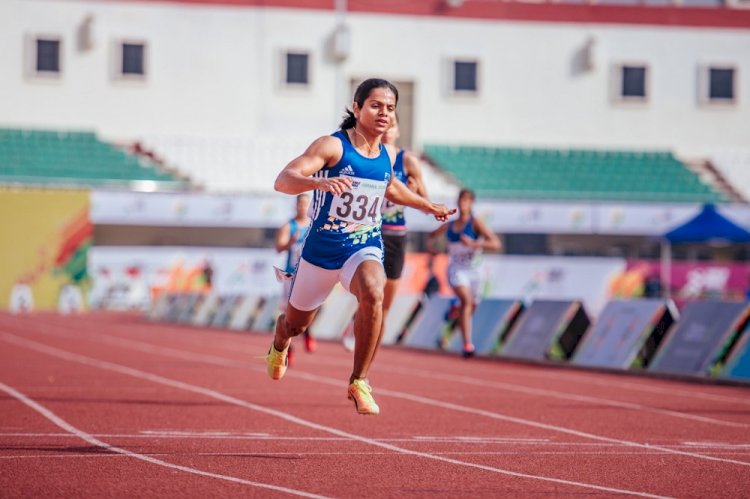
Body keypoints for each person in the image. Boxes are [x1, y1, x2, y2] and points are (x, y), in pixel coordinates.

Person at [269, 78, 454, 415]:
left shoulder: (388, 154)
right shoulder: (332, 147)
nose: (384, 113)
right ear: (357, 108)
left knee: (374, 290)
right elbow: (283, 181)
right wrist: (318, 181)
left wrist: (428, 206)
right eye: (376, 106)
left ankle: (359, 381)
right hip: (322, 252)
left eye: (390, 108)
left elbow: (391, 188)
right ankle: (280, 340)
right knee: (297, 324)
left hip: (363, 245)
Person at [341, 117, 428, 352]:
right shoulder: (369, 157)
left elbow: (423, 198)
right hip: (371, 232)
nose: (388, 130)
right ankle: (360, 318)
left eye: (393, 126)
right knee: (371, 293)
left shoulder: (407, 160)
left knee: (385, 307)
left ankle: (368, 359)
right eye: (385, 126)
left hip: (396, 237)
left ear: (398, 130)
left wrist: (413, 189)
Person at [427, 189, 501, 358]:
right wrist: (433, 250)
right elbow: (431, 236)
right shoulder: (450, 225)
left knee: (470, 306)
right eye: (461, 201)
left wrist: (474, 243)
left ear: (471, 204)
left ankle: (453, 316)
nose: (463, 204)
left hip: (475, 271)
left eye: (466, 201)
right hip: (457, 270)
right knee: (466, 301)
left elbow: (495, 243)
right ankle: (468, 345)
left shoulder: (475, 223)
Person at [274, 193, 316, 356]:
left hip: (309, 274)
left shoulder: (314, 225)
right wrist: (291, 241)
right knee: (289, 314)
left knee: (312, 307)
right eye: (300, 204)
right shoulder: (288, 226)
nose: (302, 207)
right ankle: (287, 348)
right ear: (296, 206)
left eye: (306, 204)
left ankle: (307, 333)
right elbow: (279, 247)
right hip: (290, 275)